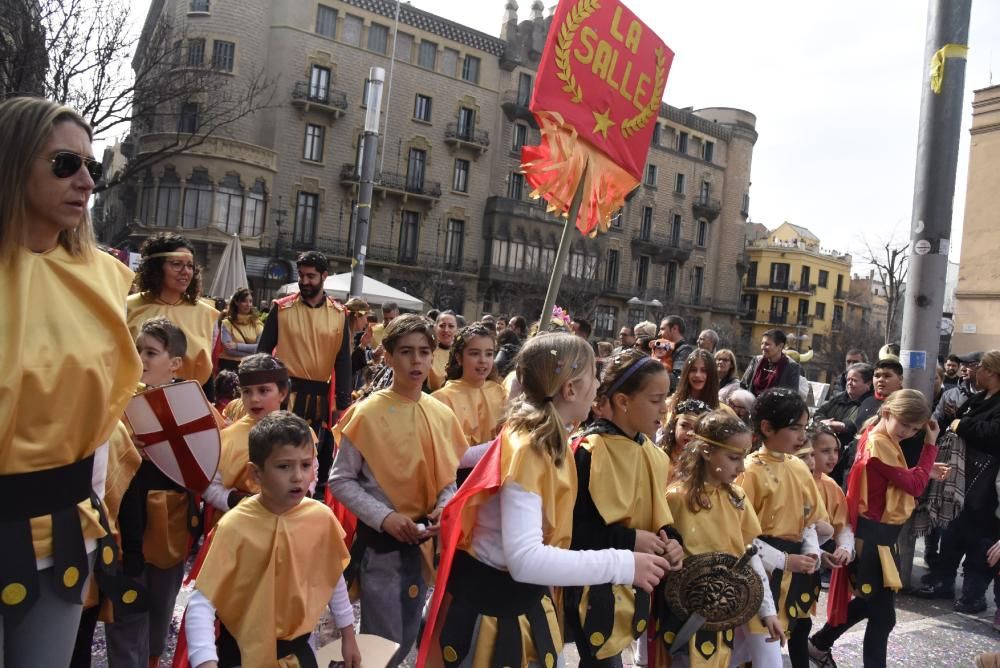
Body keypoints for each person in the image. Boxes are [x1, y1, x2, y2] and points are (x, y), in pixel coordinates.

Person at [417, 333, 671, 667]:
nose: (598, 385)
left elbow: (461, 458)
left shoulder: (544, 439)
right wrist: (624, 564)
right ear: (569, 390)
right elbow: (525, 559)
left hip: (521, 604)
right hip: (493, 614)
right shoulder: (530, 448)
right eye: (593, 376)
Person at [330, 314, 468, 666]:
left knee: (408, 633)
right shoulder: (366, 413)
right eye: (406, 352)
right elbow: (341, 480)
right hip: (383, 547)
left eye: (424, 352)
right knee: (382, 641)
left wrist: (444, 505)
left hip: (422, 542)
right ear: (388, 356)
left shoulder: (440, 413)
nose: (417, 361)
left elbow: (448, 478)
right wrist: (385, 517)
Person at [184, 411, 361, 667]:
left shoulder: (321, 518)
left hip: (299, 655)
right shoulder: (235, 525)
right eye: (284, 466)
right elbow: (203, 601)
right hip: (241, 656)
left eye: (305, 464)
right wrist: (205, 660)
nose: (298, 476)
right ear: (256, 474)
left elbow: (332, 578)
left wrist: (348, 634)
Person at [566, 351, 684, 667]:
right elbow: (575, 534)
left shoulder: (654, 455)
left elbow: (658, 518)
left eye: (667, 398)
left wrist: (672, 541)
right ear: (623, 401)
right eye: (656, 399)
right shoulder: (589, 452)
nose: (665, 408)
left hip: (629, 585)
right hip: (589, 586)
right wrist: (631, 540)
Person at [811, 390, 943, 668]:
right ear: (887, 413)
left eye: (915, 428)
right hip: (872, 538)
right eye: (905, 424)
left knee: (871, 604)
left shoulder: (876, 433)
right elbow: (914, 486)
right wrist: (930, 446)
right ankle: (821, 643)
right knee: (883, 617)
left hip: (880, 537)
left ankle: (819, 643)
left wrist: (922, 469)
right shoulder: (878, 442)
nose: (908, 432)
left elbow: (893, 479)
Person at [107, 318, 202, 667]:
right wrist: (124, 446)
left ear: (175, 363)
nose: (141, 358)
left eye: (151, 352)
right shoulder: (116, 402)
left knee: (160, 611)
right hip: (124, 526)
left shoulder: (191, 403)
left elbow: (204, 462)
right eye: (137, 350)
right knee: (126, 610)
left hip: (171, 524)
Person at [665, 410, 784, 668]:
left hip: (723, 613)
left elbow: (750, 558)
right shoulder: (676, 498)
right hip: (682, 615)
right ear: (706, 452)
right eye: (733, 458)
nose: (741, 467)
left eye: (743, 458)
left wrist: (768, 612)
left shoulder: (737, 498)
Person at [738, 388, 827, 668]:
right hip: (757, 573)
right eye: (794, 428)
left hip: (793, 574)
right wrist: (785, 560)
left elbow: (810, 520)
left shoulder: (799, 468)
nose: (802, 436)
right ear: (766, 427)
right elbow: (742, 538)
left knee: (744, 653)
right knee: (765, 654)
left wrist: (812, 552)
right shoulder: (749, 470)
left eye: (804, 428)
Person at [257, 250, 352, 500]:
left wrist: (343, 404)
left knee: (313, 452)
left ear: (324, 276)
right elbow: (262, 353)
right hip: (286, 392)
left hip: (320, 396)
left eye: (311, 276)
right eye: (301, 275)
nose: (305, 281)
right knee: (282, 448)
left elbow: (343, 362)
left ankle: (307, 498)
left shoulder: (340, 314)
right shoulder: (282, 308)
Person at [916, 350, 1000, 613]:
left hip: (988, 482)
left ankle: (974, 594)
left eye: (983, 368)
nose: (977, 372)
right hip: (962, 475)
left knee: (979, 540)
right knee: (952, 531)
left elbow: (992, 433)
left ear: (993, 373)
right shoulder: (979, 398)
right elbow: (954, 419)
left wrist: (962, 426)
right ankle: (944, 581)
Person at [203, 354, 297, 527]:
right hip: (235, 525)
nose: (254, 398)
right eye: (247, 391)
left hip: (285, 524)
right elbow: (209, 486)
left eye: (263, 390)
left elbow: (310, 475)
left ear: (282, 393)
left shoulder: (298, 434)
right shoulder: (226, 438)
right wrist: (235, 500)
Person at [127, 233, 220, 388]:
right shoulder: (127, 307)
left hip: (187, 401)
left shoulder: (207, 314)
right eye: (177, 264)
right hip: (132, 399)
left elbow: (210, 369)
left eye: (190, 266)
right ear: (157, 267)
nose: (185, 271)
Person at [432, 322, 508, 447]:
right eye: (474, 353)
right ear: (459, 358)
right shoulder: (442, 398)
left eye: (489, 354)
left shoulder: (499, 391)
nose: (483, 360)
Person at [808, 422, 855, 590]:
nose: (833, 457)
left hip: (810, 566)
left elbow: (842, 524)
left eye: (835, 450)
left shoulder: (832, 486)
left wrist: (845, 547)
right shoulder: (793, 481)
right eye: (825, 451)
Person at [815, 362, 874, 485]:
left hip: (847, 459)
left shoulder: (870, 403)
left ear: (868, 384)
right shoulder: (839, 397)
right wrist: (822, 421)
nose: (849, 383)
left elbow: (856, 424)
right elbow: (819, 412)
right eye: (848, 379)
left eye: (854, 380)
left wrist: (841, 426)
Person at [740, 330, 802, 396]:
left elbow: (792, 397)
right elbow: (743, 385)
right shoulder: (756, 361)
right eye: (762, 343)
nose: (762, 347)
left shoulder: (792, 367)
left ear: (780, 346)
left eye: (767, 344)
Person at [217, 287, 263, 372]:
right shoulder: (227, 323)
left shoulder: (257, 323)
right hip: (229, 366)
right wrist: (252, 352)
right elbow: (229, 350)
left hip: (251, 366)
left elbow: (260, 347)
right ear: (236, 302)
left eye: (250, 301)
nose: (248, 304)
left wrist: (237, 346)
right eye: (244, 301)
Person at [659, 398, 712, 463]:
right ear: (675, 425)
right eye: (684, 426)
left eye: (696, 429)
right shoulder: (660, 453)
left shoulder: (702, 463)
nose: (689, 433)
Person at [657, 315, 694, 385]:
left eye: (662, 329)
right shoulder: (665, 348)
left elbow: (677, 378)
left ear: (674, 328)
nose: (659, 333)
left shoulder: (685, 350)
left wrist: (653, 375)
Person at [428, 310, 459, 391]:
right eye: (442, 326)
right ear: (435, 327)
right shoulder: (427, 352)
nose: (446, 330)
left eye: (451, 326)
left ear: (457, 329)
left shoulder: (461, 354)